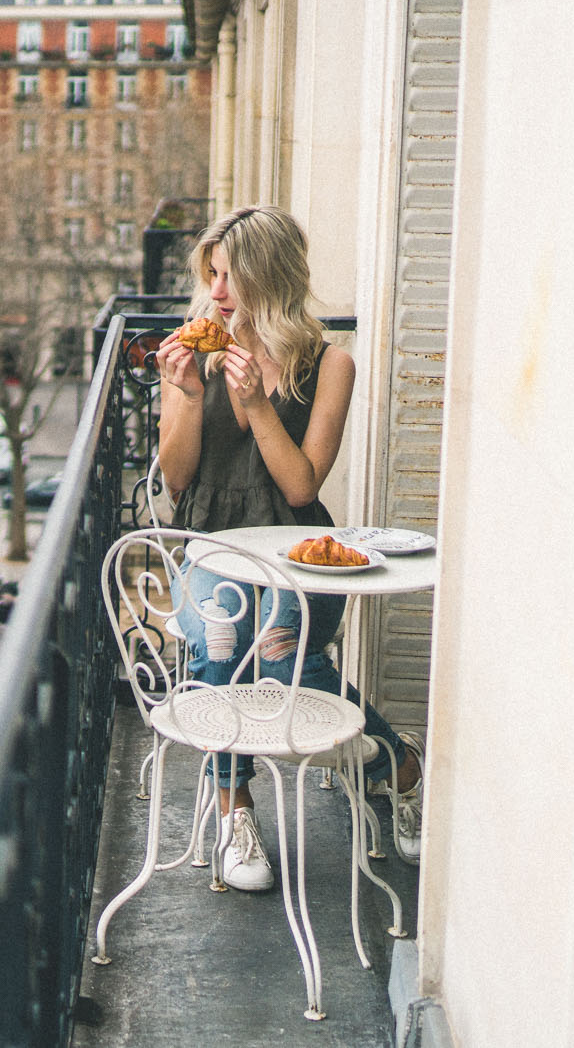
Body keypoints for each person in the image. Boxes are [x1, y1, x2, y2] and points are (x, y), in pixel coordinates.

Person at [155, 205, 423, 893]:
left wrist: (259, 407)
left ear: (269, 280)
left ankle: (392, 764)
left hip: (301, 549)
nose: (214, 294)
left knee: (279, 648)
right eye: (211, 277)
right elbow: (178, 481)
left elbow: (302, 484)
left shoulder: (331, 365)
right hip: (210, 549)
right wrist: (185, 397)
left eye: (230, 278)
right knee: (222, 635)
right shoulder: (198, 355)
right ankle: (237, 810)